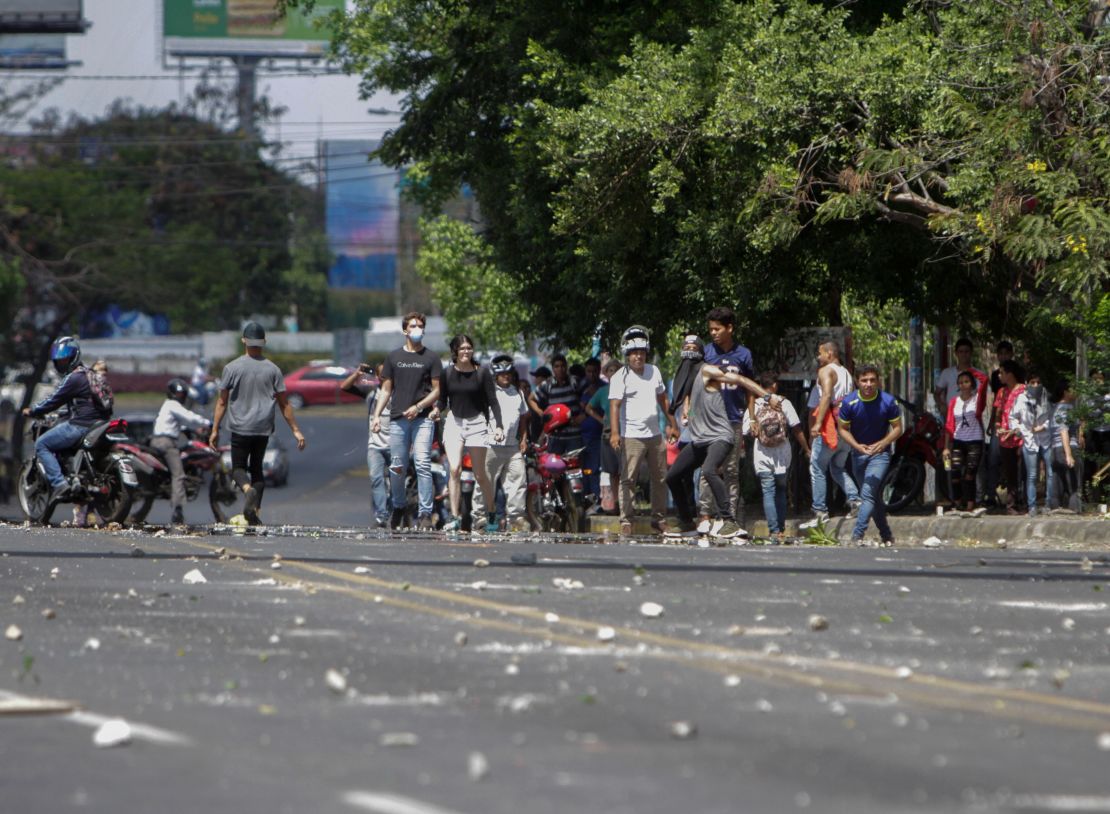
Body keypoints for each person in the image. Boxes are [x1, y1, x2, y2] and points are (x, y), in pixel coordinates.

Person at [209, 323, 305, 525]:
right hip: (262, 429)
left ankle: (247, 490)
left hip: (239, 428)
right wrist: (296, 431)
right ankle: (254, 513)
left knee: (238, 469)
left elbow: (221, 402)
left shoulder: (231, 368)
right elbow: (284, 404)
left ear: (243, 340)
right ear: (264, 342)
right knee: (257, 471)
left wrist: (215, 429)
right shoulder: (274, 370)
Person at [371, 312, 443, 530]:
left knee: (422, 463)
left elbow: (437, 390)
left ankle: (425, 514)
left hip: (422, 420)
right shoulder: (393, 357)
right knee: (397, 466)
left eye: (420, 325)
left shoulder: (431, 358)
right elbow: (385, 390)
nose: (417, 329)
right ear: (405, 330)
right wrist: (376, 416)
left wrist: (419, 406)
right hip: (398, 420)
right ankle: (399, 505)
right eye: (413, 325)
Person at [22, 337, 112, 504]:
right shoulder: (91, 375)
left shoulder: (74, 378)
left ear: (74, 357)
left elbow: (54, 400)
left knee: (42, 444)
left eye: (65, 360)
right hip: (100, 424)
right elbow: (80, 403)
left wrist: (34, 410)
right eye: (60, 361)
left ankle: (59, 484)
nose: (63, 364)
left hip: (81, 426)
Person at [609, 326, 679, 535]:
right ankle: (626, 520)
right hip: (631, 435)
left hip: (655, 434)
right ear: (627, 355)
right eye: (634, 353)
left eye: (641, 352)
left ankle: (658, 519)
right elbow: (615, 405)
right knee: (629, 479)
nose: (638, 357)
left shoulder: (654, 371)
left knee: (660, 478)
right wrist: (615, 433)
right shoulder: (620, 377)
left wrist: (673, 423)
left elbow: (662, 399)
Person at [438, 334, 503, 532]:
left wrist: (498, 426)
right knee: (454, 469)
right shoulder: (447, 373)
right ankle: (455, 516)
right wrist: (435, 410)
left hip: (477, 422)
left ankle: (491, 513)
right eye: (462, 348)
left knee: (480, 474)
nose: (466, 351)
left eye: (469, 348)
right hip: (454, 422)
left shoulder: (482, 373)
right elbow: (442, 401)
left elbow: (493, 402)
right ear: (455, 352)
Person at [837, 364, 904, 546]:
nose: (868, 384)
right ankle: (887, 535)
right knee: (872, 497)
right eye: (864, 380)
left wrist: (883, 443)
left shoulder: (888, 401)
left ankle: (857, 535)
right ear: (857, 382)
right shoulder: (849, 402)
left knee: (867, 493)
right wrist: (857, 446)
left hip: (880, 455)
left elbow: (898, 428)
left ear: (878, 381)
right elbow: (842, 429)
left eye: (872, 380)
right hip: (858, 455)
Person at [701, 306, 755, 522]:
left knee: (732, 470)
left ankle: (729, 516)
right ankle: (705, 514)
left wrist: (752, 417)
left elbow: (750, 387)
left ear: (729, 328)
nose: (713, 333)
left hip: (733, 419)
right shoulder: (705, 353)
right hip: (709, 421)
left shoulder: (744, 354)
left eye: (717, 329)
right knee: (708, 469)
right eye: (711, 329)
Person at [743, 371, 809, 544]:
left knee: (768, 491)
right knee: (780, 490)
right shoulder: (783, 402)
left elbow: (745, 431)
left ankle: (773, 531)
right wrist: (806, 448)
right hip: (782, 453)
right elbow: (796, 427)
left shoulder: (754, 404)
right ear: (774, 385)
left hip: (762, 453)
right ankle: (780, 529)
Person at [801, 341, 861, 529]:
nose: (818, 357)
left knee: (817, 467)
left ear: (829, 353)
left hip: (830, 428)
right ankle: (855, 501)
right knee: (837, 468)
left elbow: (826, 395)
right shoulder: (847, 374)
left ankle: (820, 511)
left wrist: (817, 423)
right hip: (845, 429)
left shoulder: (826, 371)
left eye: (820, 353)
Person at [472, 354, 529, 532]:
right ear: (495, 375)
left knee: (519, 480)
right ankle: (480, 517)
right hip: (490, 445)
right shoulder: (488, 391)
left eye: (508, 373)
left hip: (512, 446)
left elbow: (523, 417)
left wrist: (524, 438)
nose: (506, 376)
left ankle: (516, 518)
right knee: (485, 482)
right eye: (502, 374)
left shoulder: (517, 392)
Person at [151, 378, 212, 525]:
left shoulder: (168, 406)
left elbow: (180, 424)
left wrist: (191, 429)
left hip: (158, 440)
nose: (181, 397)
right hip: (166, 443)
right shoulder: (173, 405)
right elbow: (189, 417)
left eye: (183, 394)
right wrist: (208, 423)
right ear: (172, 394)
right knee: (178, 475)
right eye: (179, 394)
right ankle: (178, 511)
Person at [341, 362, 391, 528]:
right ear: (377, 377)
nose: (385, 378)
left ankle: (397, 509)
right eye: (382, 375)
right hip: (375, 445)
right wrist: (357, 374)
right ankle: (382, 516)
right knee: (376, 479)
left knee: (397, 481)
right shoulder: (371, 392)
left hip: (396, 445)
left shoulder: (401, 393)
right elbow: (344, 386)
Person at [942, 370, 987, 514]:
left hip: (974, 440)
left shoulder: (977, 399)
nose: (963, 385)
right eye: (960, 382)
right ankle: (957, 503)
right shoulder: (954, 402)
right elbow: (949, 425)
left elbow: (985, 380)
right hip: (958, 440)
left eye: (966, 381)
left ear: (972, 384)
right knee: (954, 472)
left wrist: (970, 370)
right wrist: (946, 447)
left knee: (969, 474)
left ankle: (970, 505)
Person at [1012, 370, 1054, 516]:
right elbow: (1013, 417)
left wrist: (1042, 427)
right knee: (1032, 475)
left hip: (1045, 439)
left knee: (1050, 472)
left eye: (1038, 382)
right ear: (1026, 384)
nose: (1035, 385)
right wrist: (1017, 429)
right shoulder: (1021, 399)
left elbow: (1051, 417)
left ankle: (1049, 504)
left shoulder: (1045, 397)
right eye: (1032, 383)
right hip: (1030, 439)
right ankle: (1032, 506)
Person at [584, 358, 623, 513]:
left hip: (626, 432)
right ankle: (616, 503)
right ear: (606, 374)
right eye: (610, 370)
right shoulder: (602, 391)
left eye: (616, 370)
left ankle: (627, 503)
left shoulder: (626, 389)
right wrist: (603, 420)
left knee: (626, 471)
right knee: (612, 471)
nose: (613, 373)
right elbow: (589, 408)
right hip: (608, 433)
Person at [528, 354, 583, 454]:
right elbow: (531, 399)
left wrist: (583, 415)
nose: (560, 369)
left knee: (575, 467)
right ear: (553, 369)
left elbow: (589, 398)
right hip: (555, 436)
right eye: (557, 366)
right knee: (554, 467)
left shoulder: (575, 381)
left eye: (562, 366)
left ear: (566, 367)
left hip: (574, 435)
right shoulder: (547, 384)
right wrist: (540, 412)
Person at [993, 359, 1026, 514]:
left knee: (1025, 471)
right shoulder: (1001, 392)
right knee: (1010, 472)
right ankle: (1011, 505)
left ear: (1010, 374)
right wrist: (998, 426)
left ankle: (1025, 501)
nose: (999, 376)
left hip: (1022, 436)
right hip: (1006, 438)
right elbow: (998, 413)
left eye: (1002, 372)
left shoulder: (1024, 390)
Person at [1049, 379, 1083, 513]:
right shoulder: (1067, 408)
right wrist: (1069, 455)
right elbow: (1064, 431)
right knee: (1074, 485)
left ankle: (1055, 509)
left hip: (1054, 449)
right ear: (1065, 392)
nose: (1075, 393)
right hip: (1068, 447)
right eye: (1072, 389)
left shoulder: (1053, 408)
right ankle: (1075, 509)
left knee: (1058, 482)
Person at [934, 337, 989, 413]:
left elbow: (982, 397)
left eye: (966, 351)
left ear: (971, 353)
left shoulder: (979, 375)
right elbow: (937, 393)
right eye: (961, 351)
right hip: (951, 417)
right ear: (956, 353)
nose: (964, 354)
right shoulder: (947, 373)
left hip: (972, 418)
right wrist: (941, 405)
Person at [578, 357, 604, 502]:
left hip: (597, 436)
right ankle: (584, 499)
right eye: (589, 371)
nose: (592, 374)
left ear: (599, 371)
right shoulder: (581, 387)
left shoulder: (604, 388)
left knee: (594, 469)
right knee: (584, 470)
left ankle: (596, 499)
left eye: (595, 371)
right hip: (582, 435)